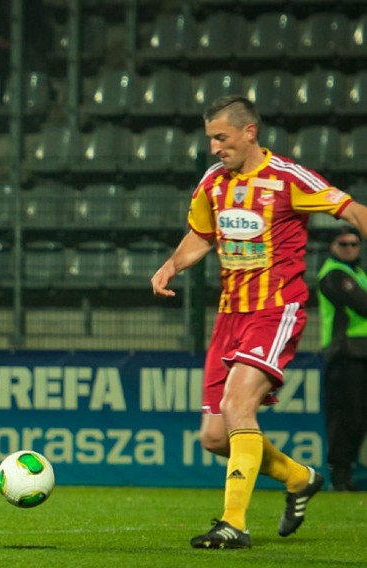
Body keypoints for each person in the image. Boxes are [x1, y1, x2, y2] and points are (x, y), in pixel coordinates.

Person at [150, 95, 367, 549]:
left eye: (221, 138)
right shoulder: (213, 182)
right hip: (230, 314)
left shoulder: (288, 178)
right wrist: (173, 264)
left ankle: (234, 523)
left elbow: (353, 212)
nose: (214, 148)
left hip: (276, 309)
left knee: (236, 407)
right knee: (213, 436)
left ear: (249, 132)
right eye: (210, 139)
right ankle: (298, 477)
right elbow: (201, 235)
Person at [316, 226, 367, 492]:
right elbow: (363, 304)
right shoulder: (334, 274)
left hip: (361, 353)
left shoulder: (358, 273)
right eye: (343, 244)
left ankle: (346, 473)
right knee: (346, 417)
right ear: (333, 246)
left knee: (358, 417)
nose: (349, 248)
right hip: (345, 353)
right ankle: (340, 475)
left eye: (354, 244)